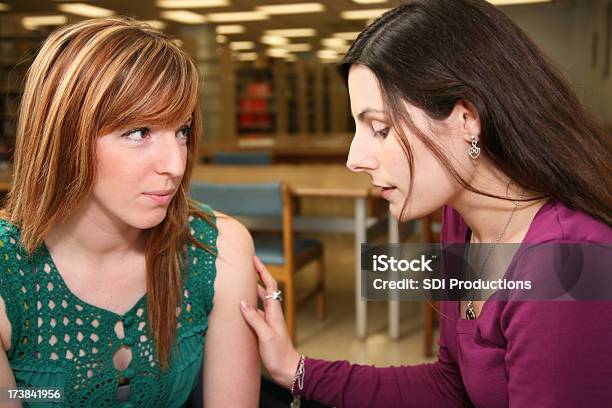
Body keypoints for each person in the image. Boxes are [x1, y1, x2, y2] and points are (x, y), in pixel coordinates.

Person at [239, 0, 612, 407]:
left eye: (379, 128)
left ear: (466, 119)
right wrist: (296, 370)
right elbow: (451, 385)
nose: (354, 158)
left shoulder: (565, 266)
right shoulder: (461, 218)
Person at [0, 18, 260, 407]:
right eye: (139, 132)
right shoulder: (9, 275)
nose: (175, 163)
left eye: (182, 131)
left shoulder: (217, 248)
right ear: (65, 136)